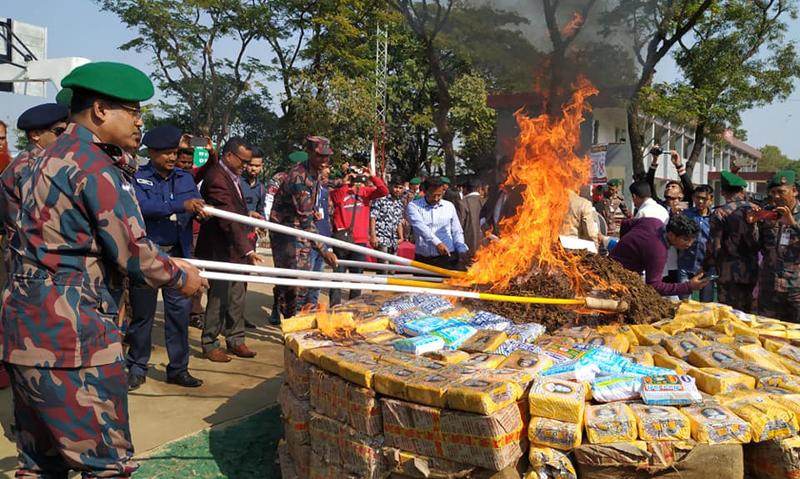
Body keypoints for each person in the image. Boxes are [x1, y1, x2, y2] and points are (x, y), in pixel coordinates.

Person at [1, 61, 206, 478]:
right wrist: (182, 278)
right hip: (73, 339)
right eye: (132, 111)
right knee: (106, 464)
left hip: (25, 332)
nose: (139, 122)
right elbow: (133, 252)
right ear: (99, 110)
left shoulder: (37, 160)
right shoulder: (91, 166)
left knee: (40, 463)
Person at [127, 126, 208, 391]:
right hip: (148, 256)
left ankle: (178, 370)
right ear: (151, 152)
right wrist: (179, 205)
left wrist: (200, 212)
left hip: (178, 255)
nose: (172, 158)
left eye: (175, 152)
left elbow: (196, 203)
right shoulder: (138, 177)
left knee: (178, 316)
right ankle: (137, 367)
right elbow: (140, 207)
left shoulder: (184, 179)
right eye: (166, 153)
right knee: (143, 316)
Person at [196, 136, 264, 362]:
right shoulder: (216, 177)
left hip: (234, 248)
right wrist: (248, 250)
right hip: (220, 249)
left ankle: (236, 339)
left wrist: (248, 215)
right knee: (219, 298)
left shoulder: (233, 176)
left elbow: (234, 211)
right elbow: (227, 220)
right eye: (243, 161)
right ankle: (210, 343)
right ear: (228, 156)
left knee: (237, 296)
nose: (246, 165)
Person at [269, 136, 338, 319]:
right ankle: (289, 318)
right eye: (320, 156)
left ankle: (294, 317)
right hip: (285, 231)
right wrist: (324, 250)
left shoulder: (315, 173)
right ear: (309, 153)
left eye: (327, 156)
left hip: (300, 228)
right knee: (293, 281)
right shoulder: (299, 176)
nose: (324, 160)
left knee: (302, 280)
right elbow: (306, 220)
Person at [609, 215, 713, 297]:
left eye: (691, 240)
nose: (689, 244)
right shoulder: (658, 251)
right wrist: (689, 286)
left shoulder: (654, 222)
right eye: (685, 239)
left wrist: (623, 245)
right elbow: (654, 286)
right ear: (671, 235)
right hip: (615, 280)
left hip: (610, 264)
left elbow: (625, 224)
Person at [330, 163, 388, 304]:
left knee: (357, 278)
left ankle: (353, 307)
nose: (354, 176)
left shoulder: (364, 192)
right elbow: (336, 199)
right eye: (352, 173)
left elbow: (384, 191)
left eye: (356, 173)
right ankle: (334, 307)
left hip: (360, 241)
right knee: (338, 277)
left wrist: (372, 176)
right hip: (341, 240)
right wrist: (345, 183)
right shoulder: (338, 191)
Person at [746, 170, 800, 322]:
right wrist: (752, 225)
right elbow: (755, 246)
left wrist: (793, 224)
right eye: (773, 192)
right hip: (769, 287)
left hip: (796, 289)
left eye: (781, 192)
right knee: (768, 331)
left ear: (794, 191)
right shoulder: (769, 214)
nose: (776, 196)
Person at [703, 171, 759, 312]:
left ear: (722, 192)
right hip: (752, 271)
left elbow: (714, 246)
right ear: (742, 190)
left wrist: (706, 266)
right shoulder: (756, 209)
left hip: (728, 273)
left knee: (730, 315)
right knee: (747, 315)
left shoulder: (720, 213)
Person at [407, 176, 469, 271]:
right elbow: (421, 228)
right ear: (425, 191)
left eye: (439, 195)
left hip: (447, 259)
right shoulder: (414, 206)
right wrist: (437, 243)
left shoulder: (449, 206)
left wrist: (462, 250)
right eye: (433, 195)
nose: (436, 199)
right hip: (424, 260)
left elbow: (456, 231)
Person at [300, 167, 332, 312]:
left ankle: (312, 307)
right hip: (308, 240)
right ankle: (299, 307)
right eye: (324, 169)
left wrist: (328, 243)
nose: (327, 172)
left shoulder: (324, 192)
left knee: (317, 278)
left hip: (322, 240)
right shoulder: (304, 191)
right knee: (305, 278)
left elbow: (327, 218)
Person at [678, 184, 715, 301]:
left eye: (704, 198)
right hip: (685, 264)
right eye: (698, 197)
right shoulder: (685, 215)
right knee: (684, 302)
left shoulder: (715, 218)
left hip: (706, 266)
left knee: (707, 303)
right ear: (693, 198)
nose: (700, 201)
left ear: (711, 199)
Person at [481, 156, 525, 238]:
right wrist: (483, 222)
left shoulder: (525, 193)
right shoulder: (495, 190)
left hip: (514, 240)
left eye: (511, 172)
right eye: (504, 172)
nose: (508, 176)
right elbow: (485, 210)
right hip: (493, 238)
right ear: (499, 173)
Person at [646, 145, 695, 213]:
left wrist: (678, 165)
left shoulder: (683, 206)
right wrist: (654, 160)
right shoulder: (658, 205)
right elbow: (648, 185)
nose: (669, 188)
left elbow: (689, 189)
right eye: (667, 187)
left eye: (673, 187)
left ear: (681, 195)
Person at [370, 176, 405, 266]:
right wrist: (373, 236)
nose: (398, 190)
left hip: (394, 240)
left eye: (400, 188)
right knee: (383, 267)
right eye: (395, 187)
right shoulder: (380, 199)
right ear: (389, 186)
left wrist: (401, 237)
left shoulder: (399, 203)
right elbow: (373, 217)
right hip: (381, 238)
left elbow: (398, 221)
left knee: (392, 269)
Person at [461, 180, 484, 256]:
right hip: (488, 246)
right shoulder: (486, 201)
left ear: (465, 189)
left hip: (469, 246)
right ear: (479, 189)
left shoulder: (462, 203)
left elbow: (459, 227)